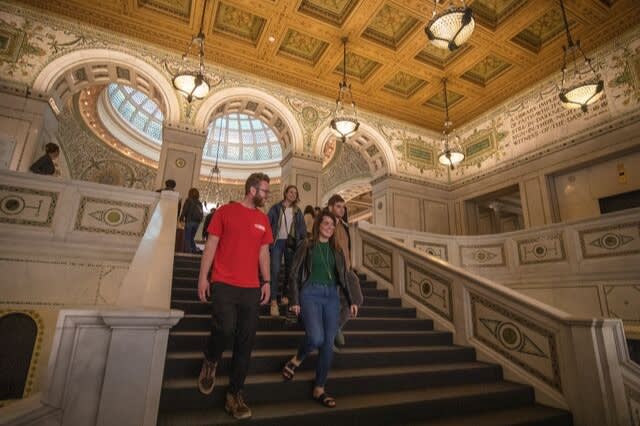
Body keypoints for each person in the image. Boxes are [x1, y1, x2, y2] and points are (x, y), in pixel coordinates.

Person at [196, 173, 272, 420]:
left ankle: (234, 394)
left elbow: (263, 253)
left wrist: (267, 281)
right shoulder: (225, 212)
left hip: (251, 287)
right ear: (252, 190)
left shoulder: (263, 219)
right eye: (264, 191)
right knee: (225, 328)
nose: (267, 195)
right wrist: (203, 277)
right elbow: (211, 246)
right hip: (223, 282)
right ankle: (211, 359)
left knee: (246, 341)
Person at [280, 210, 357, 408]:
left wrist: (351, 300)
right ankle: (297, 359)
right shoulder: (307, 245)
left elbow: (344, 278)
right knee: (316, 338)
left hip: (331, 296)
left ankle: (319, 388)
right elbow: (293, 273)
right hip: (310, 293)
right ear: (318, 225)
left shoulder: (337, 250)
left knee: (328, 343)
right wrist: (294, 299)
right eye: (326, 224)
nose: (329, 228)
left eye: (332, 225)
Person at [327, 194, 363, 348]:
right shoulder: (326, 224)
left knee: (357, 299)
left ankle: (334, 327)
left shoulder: (344, 226)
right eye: (338, 206)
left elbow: (347, 248)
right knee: (335, 303)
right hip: (333, 270)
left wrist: (350, 266)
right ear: (330, 208)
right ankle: (330, 336)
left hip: (347, 269)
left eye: (343, 207)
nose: (342, 210)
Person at [266, 185, 306, 316]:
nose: (293, 194)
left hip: (291, 244)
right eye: (291, 192)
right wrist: (268, 241)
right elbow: (267, 224)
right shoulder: (276, 208)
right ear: (285, 193)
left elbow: (302, 229)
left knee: (290, 271)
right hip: (277, 243)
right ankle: (273, 302)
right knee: (275, 270)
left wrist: (302, 243)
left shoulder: (297, 211)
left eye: (295, 193)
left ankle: (284, 295)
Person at [180, 188, 203, 254]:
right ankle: (194, 250)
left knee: (187, 237)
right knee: (191, 237)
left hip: (189, 221)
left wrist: (181, 218)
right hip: (197, 223)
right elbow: (201, 213)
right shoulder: (199, 203)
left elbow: (185, 210)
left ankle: (188, 251)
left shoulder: (188, 200)